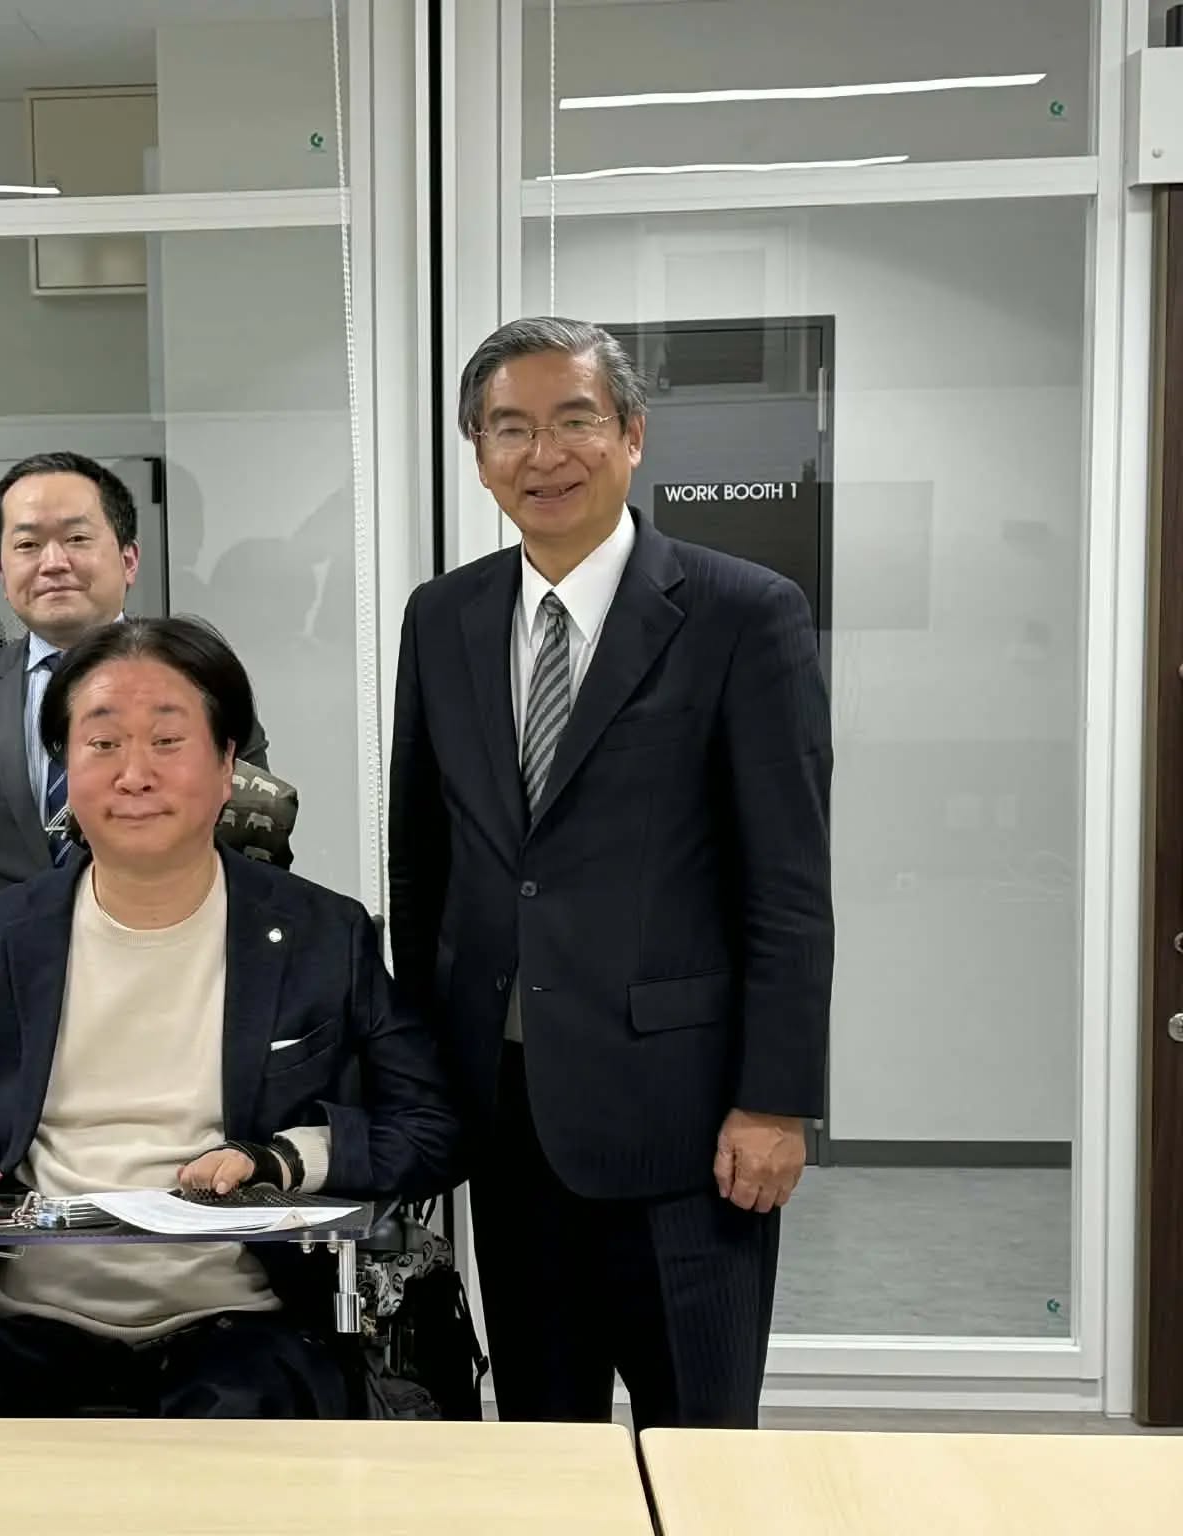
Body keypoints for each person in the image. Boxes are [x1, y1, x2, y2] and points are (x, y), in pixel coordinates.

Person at [388, 316, 833, 1431]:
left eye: (574, 421)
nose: (543, 454)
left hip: (687, 1125)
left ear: (631, 435)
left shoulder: (742, 614)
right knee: (544, 1444)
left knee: (700, 1450)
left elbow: (785, 887)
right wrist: (424, 1081)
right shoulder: (442, 618)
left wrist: (775, 1101)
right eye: (509, 428)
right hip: (506, 1117)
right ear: (478, 455)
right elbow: (422, 862)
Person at [0, 616, 456, 1418]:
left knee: (258, 1407)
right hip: (24, 1319)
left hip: (240, 1323)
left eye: (168, 742)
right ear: (65, 769)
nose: (134, 774)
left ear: (226, 766)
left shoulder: (322, 934)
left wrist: (288, 1158)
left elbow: (430, 1128)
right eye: (103, 744)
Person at [0, 451, 273, 945]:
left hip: (174, 958)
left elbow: (255, 837)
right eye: (28, 544)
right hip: (8, 966)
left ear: (129, 559)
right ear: (2, 575)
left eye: (77, 539)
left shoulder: (201, 677)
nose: (53, 563)